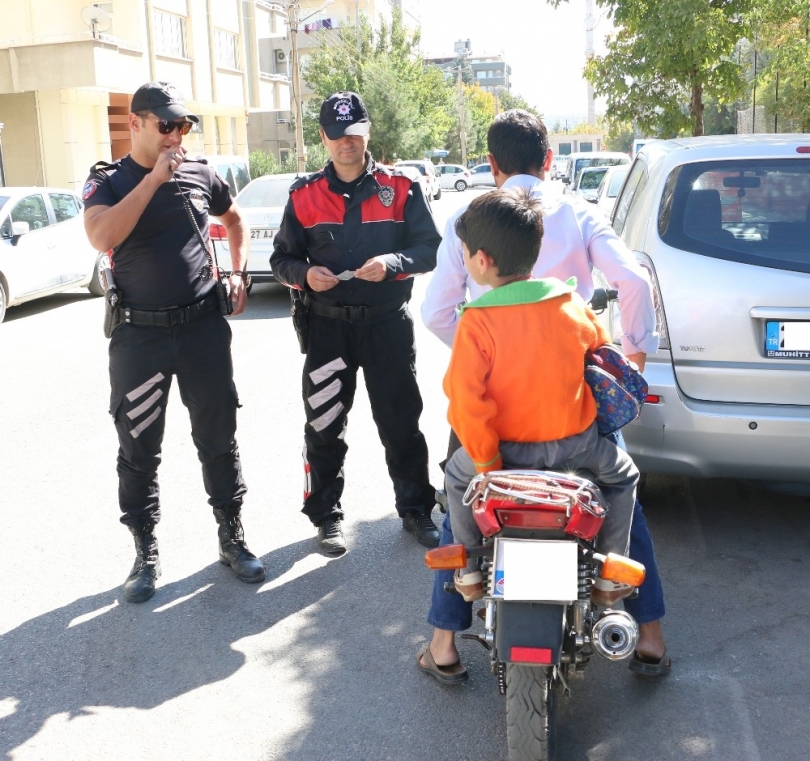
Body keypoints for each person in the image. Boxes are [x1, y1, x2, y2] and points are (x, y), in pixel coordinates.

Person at [419, 109, 670, 679]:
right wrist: (634, 358)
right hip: (575, 435)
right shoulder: (577, 232)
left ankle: (446, 638)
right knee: (623, 483)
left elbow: (437, 317)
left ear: (492, 164)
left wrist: (494, 358)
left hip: (501, 436)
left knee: (460, 492)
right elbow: (628, 289)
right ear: (549, 160)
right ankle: (643, 624)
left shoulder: (469, 225)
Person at [83, 81, 265, 604]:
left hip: (202, 328)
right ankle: (145, 552)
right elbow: (102, 237)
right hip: (140, 336)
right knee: (139, 447)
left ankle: (232, 539)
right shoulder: (110, 181)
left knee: (219, 437)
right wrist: (153, 182)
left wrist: (237, 272)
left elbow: (233, 219)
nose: (176, 135)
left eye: (182, 126)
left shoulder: (201, 172)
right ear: (136, 123)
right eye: (167, 125)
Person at [269, 91, 441, 554]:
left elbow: (429, 249)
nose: (348, 144)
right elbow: (281, 259)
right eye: (338, 135)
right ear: (323, 137)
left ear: (368, 134)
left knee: (401, 421)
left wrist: (393, 261)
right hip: (327, 329)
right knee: (324, 424)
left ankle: (416, 509)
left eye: (356, 134)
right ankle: (326, 516)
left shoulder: (401, 187)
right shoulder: (304, 196)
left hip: (387, 325)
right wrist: (304, 274)